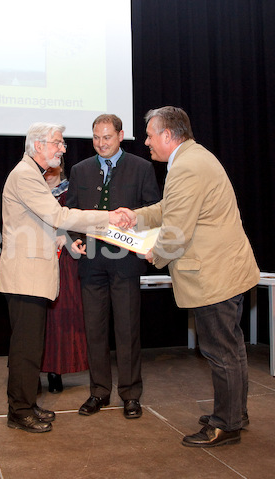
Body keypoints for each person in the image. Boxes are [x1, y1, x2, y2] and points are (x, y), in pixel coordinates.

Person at [123, 106, 259, 447]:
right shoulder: (192, 159)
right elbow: (170, 208)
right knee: (232, 348)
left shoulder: (186, 167)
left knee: (221, 351)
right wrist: (132, 218)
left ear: (168, 135)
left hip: (214, 274)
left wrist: (153, 252)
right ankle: (235, 412)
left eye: (151, 135)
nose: (146, 141)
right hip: (225, 268)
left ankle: (225, 425)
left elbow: (176, 230)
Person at [0, 122, 133, 433]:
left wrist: (68, 240)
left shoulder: (33, 174)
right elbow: (59, 216)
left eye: (62, 143)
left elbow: (49, 225)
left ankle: (26, 404)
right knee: (25, 348)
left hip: (32, 274)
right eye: (58, 143)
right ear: (39, 145)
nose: (63, 149)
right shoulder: (25, 175)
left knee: (31, 347)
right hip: (25, 276)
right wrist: (109, 216)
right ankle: (19, 411)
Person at [66, 114, 161, 419]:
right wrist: (76, 239)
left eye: (107, 137)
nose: (101, 143)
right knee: (94, 330)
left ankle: (131, 394)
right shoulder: (80, 170)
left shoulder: (142, 168)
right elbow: (72, 213)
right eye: (96, 137)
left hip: (127, 263)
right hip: (92, 262)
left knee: (127, 329)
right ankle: (99, 392)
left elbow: (153, 212)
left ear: (121, 136)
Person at [40, 161, 88, 393]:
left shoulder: (72, 192)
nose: (49, 172)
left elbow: (80, 224)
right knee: (36, 318)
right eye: (45, 168)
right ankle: (31, 370)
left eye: (53, 167)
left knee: (58, 318)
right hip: (37, 261)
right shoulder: (33, 192)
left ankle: (55, 370)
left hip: (65, 262)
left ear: (61, 167)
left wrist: (65, 238)